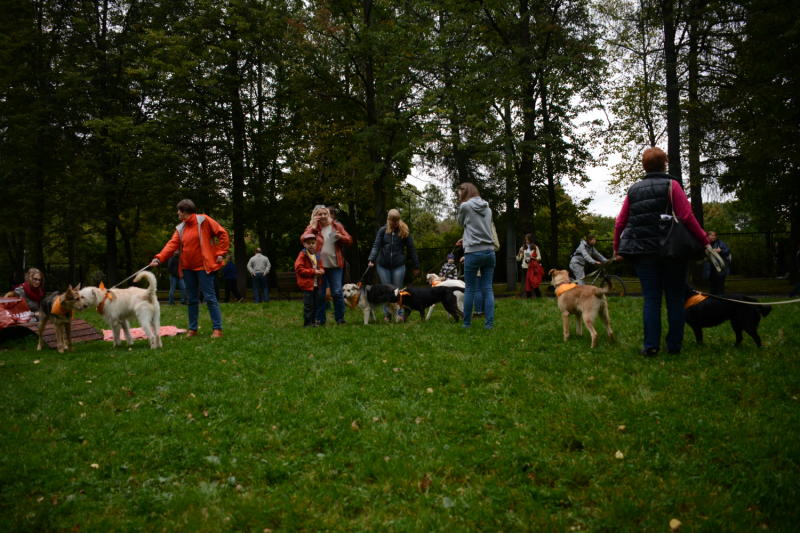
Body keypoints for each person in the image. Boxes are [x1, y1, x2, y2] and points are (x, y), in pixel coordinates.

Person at [614, 147, 711, 356]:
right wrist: (704, 241)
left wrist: (617, 249)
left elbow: (620, 222)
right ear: (664, 163)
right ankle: (674, 345)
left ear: (644, 165)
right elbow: (686, 216)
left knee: (651, 299)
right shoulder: (671, 185)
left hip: (643, 254)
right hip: (672, 252)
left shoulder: (634, 190)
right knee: (675, 299)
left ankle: (651, 346)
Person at [151, 199, 230, 338]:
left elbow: (222, 233)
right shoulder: (181, 228)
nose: (177, 213)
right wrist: (159, 258)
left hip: (204, 267)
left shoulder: (203, 220)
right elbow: (171, 245)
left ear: (184, 211)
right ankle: (192, 329)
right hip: (187, 268)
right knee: (192, 299)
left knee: (210, 297)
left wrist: (220, 253)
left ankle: (217, 329)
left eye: (178, 211)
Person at [303, 204, 353, 325]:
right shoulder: (312, 228)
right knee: (321, 294)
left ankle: (340, 319)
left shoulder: (336, 226)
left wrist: (340, 236)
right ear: (315, 216)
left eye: (325, 213)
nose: (323, 216)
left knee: (337, 292)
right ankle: (320, 319)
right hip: (319, 266)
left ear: (329, 214)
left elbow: (349, 239)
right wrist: (313, 227)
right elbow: (303, 239)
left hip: (335, 264)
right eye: (320, 214)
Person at [455, 182, 496, 329]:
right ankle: (489, 324)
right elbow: (481, 228)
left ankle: (466, 323)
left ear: (465, 192)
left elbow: (460, 222)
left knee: (470, 289)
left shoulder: (465, 206)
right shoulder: (488, 208)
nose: (459, 196)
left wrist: (461, 203)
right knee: (488, 288)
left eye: (460, 193)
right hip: (489, 251)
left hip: (473, 251)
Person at [368, 208, 420, 320]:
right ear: (388, 219)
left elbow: (411, 249)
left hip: (398, 266)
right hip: (383, 266)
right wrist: (371, 259)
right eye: (392, 220)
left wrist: (416, 265)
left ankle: (399, 313)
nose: (394, 223)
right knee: (386, 291)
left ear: (399, 220)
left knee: (397, 290)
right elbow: (376, 246)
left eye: (396, 220)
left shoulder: (404, 231)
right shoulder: (382, 231)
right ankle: (387, 314)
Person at [295, 232, 325, 327]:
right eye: (308, 243)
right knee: (308, 305)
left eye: (313, 243)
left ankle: (313, 322)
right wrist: (314, 272)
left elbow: (320, 265)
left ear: (316, 244)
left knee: (316, 304)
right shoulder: (302, 255)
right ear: (304, 244)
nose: (311, 245)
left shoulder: (317, 255)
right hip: (307, 285)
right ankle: (307, 323)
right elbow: (299, 269)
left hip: (316, 284)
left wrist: (321, 270)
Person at [516, 233, 544, 298]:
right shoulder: (523, 247)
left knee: (533, 282)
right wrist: (519, 253)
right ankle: (528, 297)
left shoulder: (535, 247)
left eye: (528, 239)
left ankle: (538, 296)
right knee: (526, 283)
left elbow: (539, 257)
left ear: (531, 240)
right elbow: (518, 259)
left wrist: (532, 258)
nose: (526, 241)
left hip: (533, 267)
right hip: (525, 267)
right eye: (525, 239)